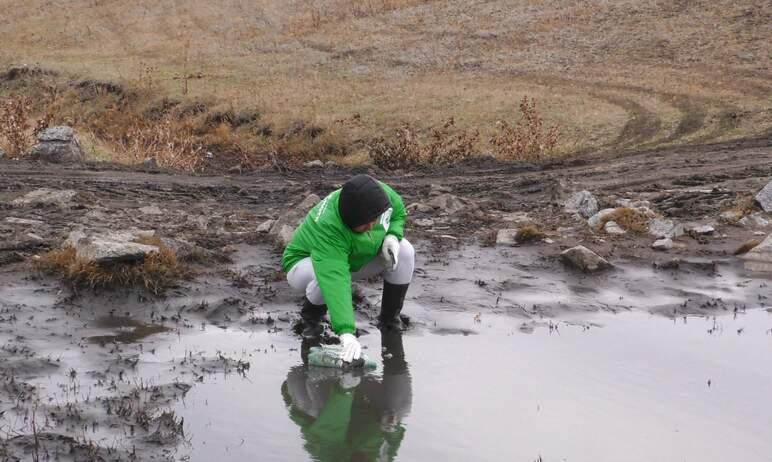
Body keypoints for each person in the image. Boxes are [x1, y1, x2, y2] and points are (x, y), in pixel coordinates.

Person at [282, 174, 415, 363]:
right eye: (364, 224)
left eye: (374, 220)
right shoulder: (329, 227)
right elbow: (333, 277)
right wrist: (346, 332)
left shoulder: (378, 195)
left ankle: (389, 321)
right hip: (303, 264)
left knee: (405, 252)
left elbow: (398, 212)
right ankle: (311, 322)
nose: (371, 227)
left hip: (349, 258)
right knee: (324, 277)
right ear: (349, 221)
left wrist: (392, 236)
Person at [281, 332, 412, 462]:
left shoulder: (329, 455)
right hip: (354, 396)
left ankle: (314, 340)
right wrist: (391, 428)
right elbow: (395, 438)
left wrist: (344, 389)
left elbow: (333, 423)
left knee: (318, 411)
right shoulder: (381, 457)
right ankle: (393, 350)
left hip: (306, 389)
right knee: (399, 410)